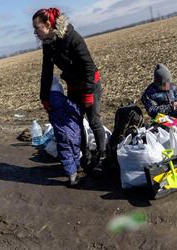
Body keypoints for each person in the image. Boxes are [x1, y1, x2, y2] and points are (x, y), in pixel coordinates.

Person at [32, 8, 107, 178]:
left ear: (48, 25)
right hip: (73, 86)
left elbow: (88, 66)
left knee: (93, 120)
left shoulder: (72, 38)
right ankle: (84, 157)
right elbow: (46, 72)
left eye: (37, 28)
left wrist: (88, 93)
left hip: (90, 83)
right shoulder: (48, 45)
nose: (35, 32)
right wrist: (44, 97)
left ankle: (102, 156)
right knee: (75, 122)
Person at [48, 76, 83, 186]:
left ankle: (72, 176)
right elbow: (77, 111)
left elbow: (52, 120)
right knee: (75, 150)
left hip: (62, 134)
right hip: (74, 132)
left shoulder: (50, 106)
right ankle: (77, 166)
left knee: (66, 153)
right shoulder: (67, 101)